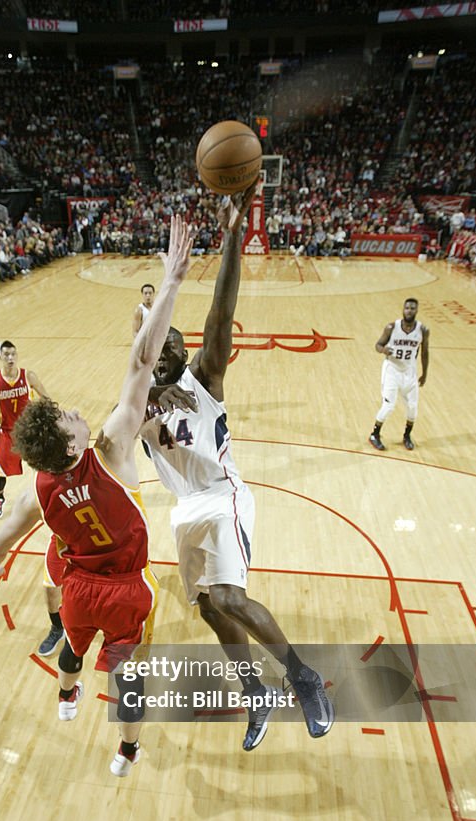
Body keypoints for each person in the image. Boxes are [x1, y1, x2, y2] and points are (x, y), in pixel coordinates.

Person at [0, 215, 193, 777]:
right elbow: (144, 362)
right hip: (125, 590)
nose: (75, 411)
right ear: (72, 444)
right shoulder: (114, 446)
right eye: (70, 417)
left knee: (73, 644)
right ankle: (127, 752)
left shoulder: (37, 487)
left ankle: (66, 698)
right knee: (127, 675)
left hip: (79, 587)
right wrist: (170, 283)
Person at [140, 187, 334, 752]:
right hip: (185, 509)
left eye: (175, 340)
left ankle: (303, 678)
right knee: (208, 611)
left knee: (228, 597)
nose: (168, 346)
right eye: (159, 343)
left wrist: (232, 235)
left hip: (223, 496)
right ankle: (256, 694)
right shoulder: (139, 400)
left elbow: (221, 310)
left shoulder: (204, 378)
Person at [0, 341, 50, 519]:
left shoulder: (28, 376)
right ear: (0, 357)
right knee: (0, 470)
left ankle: (43, 496)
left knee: (41, 466)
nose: (10, 358)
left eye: (13, 354)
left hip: (29, 430)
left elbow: (45, 397)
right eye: (6, 355)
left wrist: (49, 418)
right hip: (7, 432)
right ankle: (0, 498)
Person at [369, 298, 430, 452]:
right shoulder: (391, 327)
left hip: (410, 371)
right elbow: (378, 345)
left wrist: (424, 373)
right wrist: (383, 350)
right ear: (403, 309)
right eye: (407, 308)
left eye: (412, 308)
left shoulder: (423, 330)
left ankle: (407, 436)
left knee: (412, 407)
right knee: (389, 405)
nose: (409, 310)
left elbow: (424, 352)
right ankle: (374, 434)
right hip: (392, 370)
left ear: (417, 310)